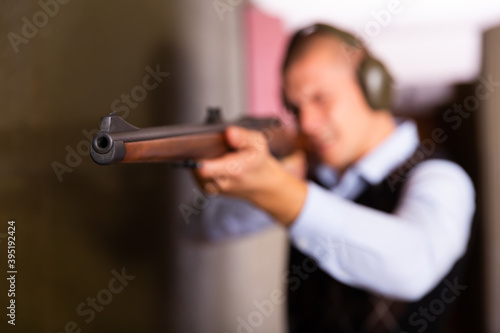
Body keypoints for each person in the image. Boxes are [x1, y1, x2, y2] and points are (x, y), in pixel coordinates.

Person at [192, 24, 475, 333]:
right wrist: (267, 177)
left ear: (372, 86)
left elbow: (413, 266)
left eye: (321, 98)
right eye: (296, 108)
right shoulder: (306, 170)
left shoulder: (440, 178)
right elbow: (205, 226)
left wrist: (282, 191)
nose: (308, 124)